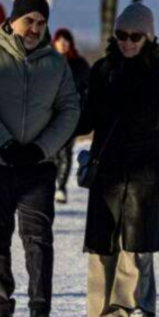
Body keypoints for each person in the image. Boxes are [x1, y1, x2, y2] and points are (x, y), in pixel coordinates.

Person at [0, 0, 80, 317]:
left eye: (41, 22)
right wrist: (6, 145)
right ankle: (1, 307)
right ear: (13, 20)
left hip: (37, 167)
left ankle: (40, 312)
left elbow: (70, 109)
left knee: (38, 240)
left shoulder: (56, 64)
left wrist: (42, 148)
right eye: (29, 20)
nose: (35, 28)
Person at [75, 3, 159, 317]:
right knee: (100, 250)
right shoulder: (102, 69)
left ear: (148, 38)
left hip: (141, 172)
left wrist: (116, 101)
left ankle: (119, 316)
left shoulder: (158, 72)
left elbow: (149, 117)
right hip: (106, 171)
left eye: (134, 36)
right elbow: (86, 118)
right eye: (121, 35)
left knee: (132, 248)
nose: (127, 42)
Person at [52, 28, 91, 204]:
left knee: (65, 151)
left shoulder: (80, 64)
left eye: (66, 41)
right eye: (60, 41)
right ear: (54, 42)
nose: (63, 44)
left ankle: (61, 187)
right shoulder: (46, 61)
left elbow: (89, 89)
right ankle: (49, 185)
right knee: (51, 151)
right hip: (48, 115)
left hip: (71, 115)